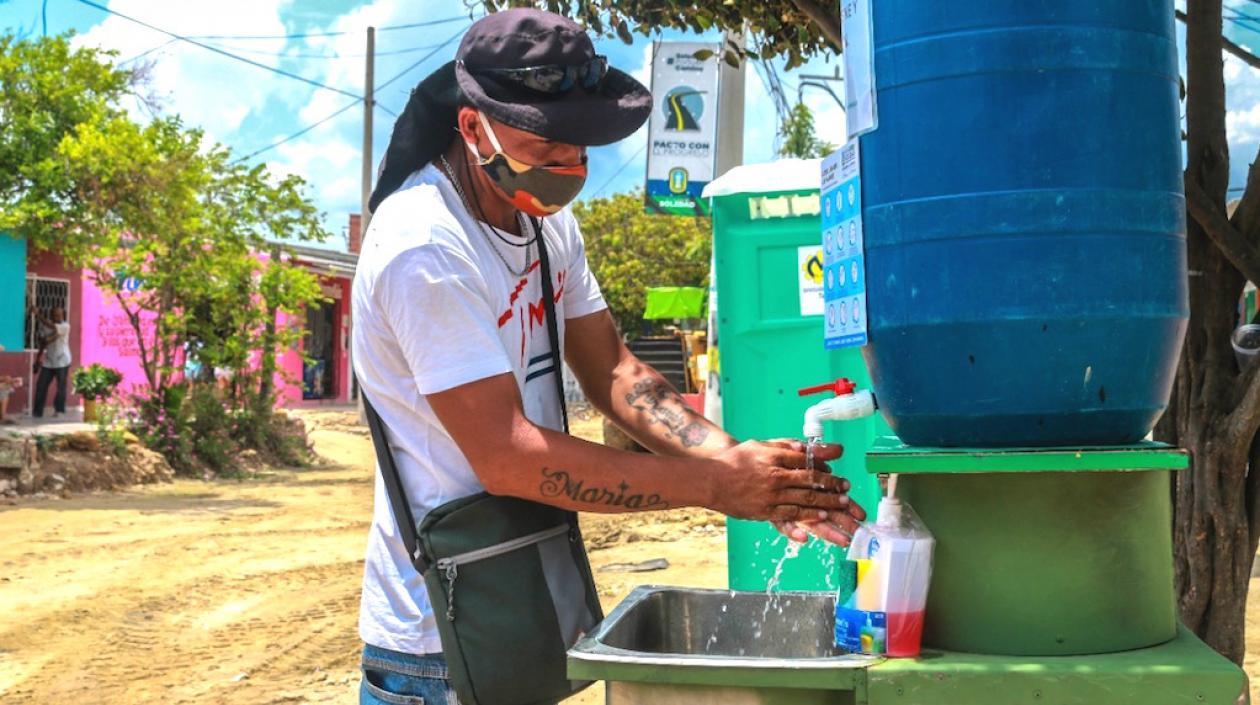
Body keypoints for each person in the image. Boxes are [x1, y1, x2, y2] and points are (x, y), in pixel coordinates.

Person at [352, 9, 866, 705]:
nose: (570, 165)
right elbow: (507, 455)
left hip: (521, 606)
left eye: (581, 143)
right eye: (547, 144)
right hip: (435, 646)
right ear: (473, 127)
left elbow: (617, 374)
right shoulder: (425, 246)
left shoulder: (543, 222)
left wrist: (746, 467)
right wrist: (717, 487)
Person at [32, 307, 70, 418]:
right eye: (56, 315)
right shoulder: (45, 326)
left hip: (62, 361)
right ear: (51, 315)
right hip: (49, 361)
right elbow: (43, 344)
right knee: (41, 385)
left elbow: (49, 335)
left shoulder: (65, 326)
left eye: (61, 315)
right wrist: (38, 359)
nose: (59, 317)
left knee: (61, 387)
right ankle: (37, 412)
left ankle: (59, 410)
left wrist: (38, 315)